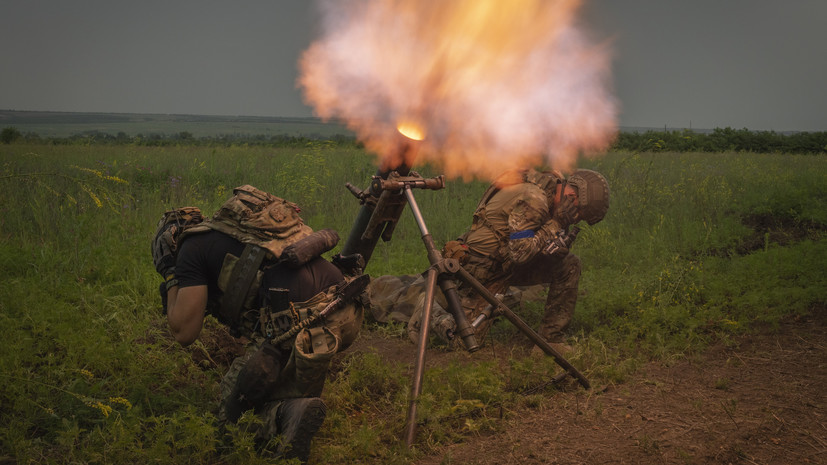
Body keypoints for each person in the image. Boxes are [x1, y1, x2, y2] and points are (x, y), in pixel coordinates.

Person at [151, 185, 366, 464]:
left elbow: (184, 332)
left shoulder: (191, 249)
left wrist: (171, 275)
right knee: (276, 378)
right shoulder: (233, 232)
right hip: (345, 310)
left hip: (298, 324)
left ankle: (287, 415)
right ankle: (295, 398)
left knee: (229, 421)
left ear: (167, 244)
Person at [367, 168, 609, 353]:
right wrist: (556, 224)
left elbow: (528, 248)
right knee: (465, 340)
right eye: (578, 213)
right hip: (482, 268)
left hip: (507, 264)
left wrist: (557, 244)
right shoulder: (535, 200)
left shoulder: (549, 188)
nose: (575, 219)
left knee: (569, 265)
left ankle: (551, 341)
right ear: (571, 195)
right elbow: (520, 252)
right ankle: (427, 309)